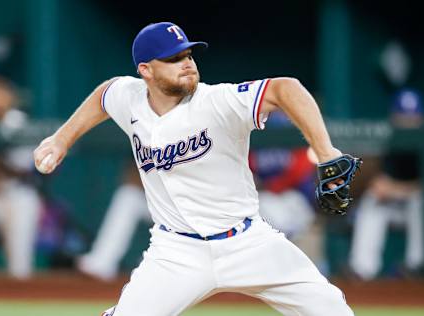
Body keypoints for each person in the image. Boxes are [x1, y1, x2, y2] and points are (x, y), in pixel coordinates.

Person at [34, 22, 354, 316]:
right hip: (176, 252)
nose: (187, 63)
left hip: (249, 242)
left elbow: (287, 88)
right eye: (173, 58)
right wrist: (62, 138)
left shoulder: (218, 101)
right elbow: (105, 94)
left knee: (332, 311)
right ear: (146, 70)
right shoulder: (129, 97)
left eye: (188, 54)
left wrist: (327, 154)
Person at [348, 89, 424, 280]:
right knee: (372, 202)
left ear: (422, 119)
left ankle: (415, 266)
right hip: (398, 207)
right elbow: (378, 184)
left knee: (420, 201)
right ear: (393, 119)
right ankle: (362, 269)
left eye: (411, 119)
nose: (407, 124)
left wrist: (399, 189)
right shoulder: (389, 143)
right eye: (402, 118)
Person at [0, 75, 42, 279]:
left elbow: (19, 169)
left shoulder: (18, 122)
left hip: (19, 195)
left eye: (1, 93)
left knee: (19, 268)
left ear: (11, 97)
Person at [76, 162, 152, 281]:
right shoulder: (152, 144)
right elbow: (133, 174)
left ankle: (157, 265)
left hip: (188, 213)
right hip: (162, 206)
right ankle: (102, 262)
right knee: (129, 195)